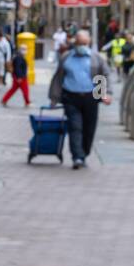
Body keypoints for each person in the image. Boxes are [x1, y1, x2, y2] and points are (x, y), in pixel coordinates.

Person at [48, 29, 112, 170]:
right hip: (71, 97)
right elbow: (58, 78)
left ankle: (84, 153)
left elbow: (103, 74)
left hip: (91, 97)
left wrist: (104, 94)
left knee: (89, 128)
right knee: (75, 127)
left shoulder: (96, 58)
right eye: (79, 42)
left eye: (84, 42)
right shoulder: (66, 57)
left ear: (88, 42)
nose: (82, 45)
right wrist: (54, 98)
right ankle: (77, 156)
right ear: (75, 42)